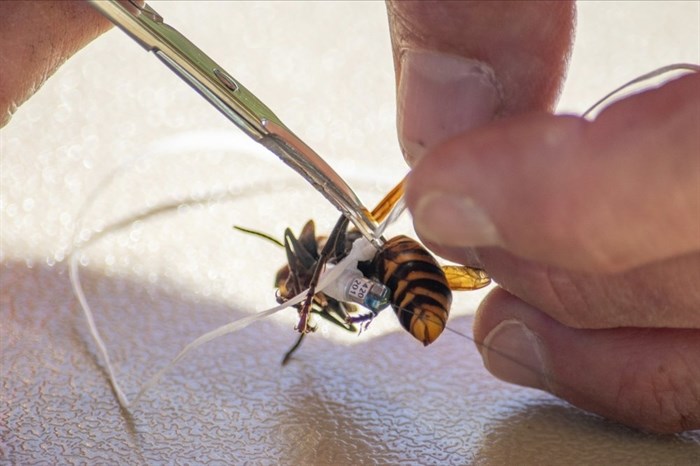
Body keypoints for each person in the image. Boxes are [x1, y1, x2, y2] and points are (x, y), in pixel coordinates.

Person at [2, 1, 697, 434]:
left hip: (411, 284)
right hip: (414, 288)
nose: (293, 288)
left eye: (294, 291)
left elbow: (350, 291)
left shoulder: (355, 266)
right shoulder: (352, 280)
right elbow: (352, 300)